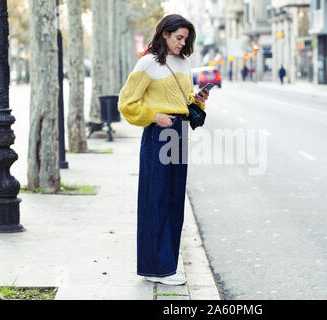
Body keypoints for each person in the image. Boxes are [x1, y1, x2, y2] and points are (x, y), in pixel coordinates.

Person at [118, 14, 209, 286]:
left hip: (179, 133)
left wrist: (199, 102)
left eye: (186, 38)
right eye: (179, 37)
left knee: (173, 200)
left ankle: (165, 265)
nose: (183, 43)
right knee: (154, 198)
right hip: (159, 133)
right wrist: (152, 115)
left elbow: (185, 103)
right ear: (165, 34)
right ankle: (157, 268)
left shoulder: (184, 62)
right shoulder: (148, 63)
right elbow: (127, 103)